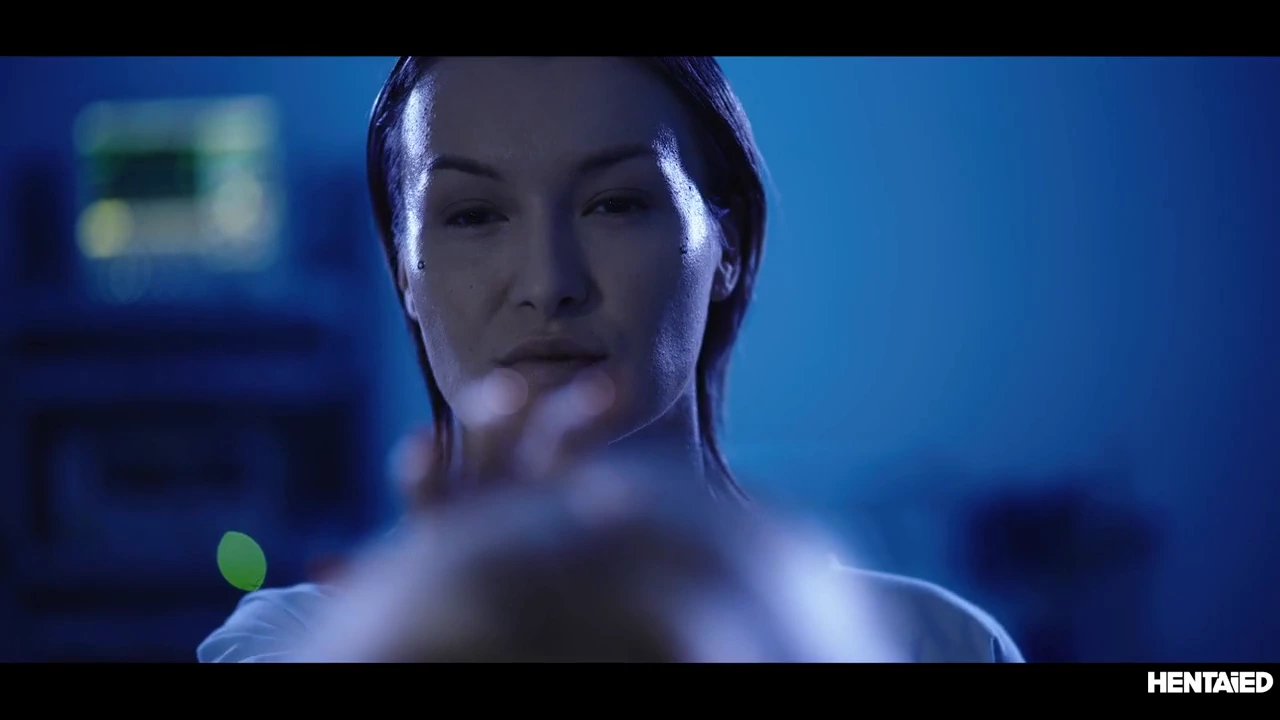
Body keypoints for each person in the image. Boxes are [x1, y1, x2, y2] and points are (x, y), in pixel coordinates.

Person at [197, 56, 1024, 663]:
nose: (548, 283)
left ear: (728, 242)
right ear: (401, 274)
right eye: (474, 215)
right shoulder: (288, 645)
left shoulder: (937, 645)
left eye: (616, 203)